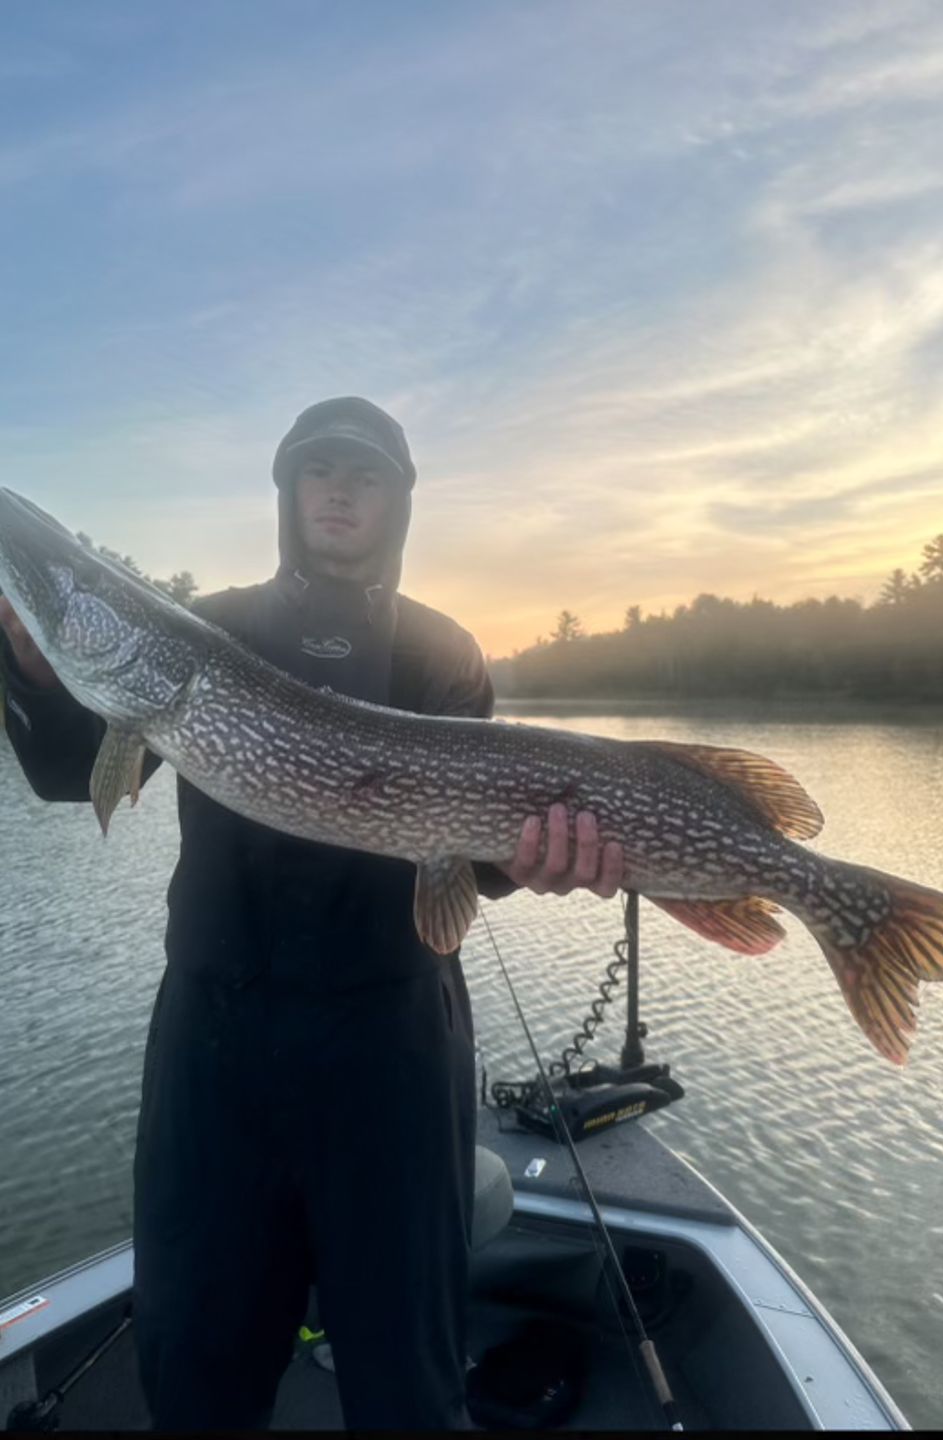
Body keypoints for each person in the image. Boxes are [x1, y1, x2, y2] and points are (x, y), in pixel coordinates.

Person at [0, 397, 624, 1430]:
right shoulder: (212, 633)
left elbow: (472, 850)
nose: (338, 488)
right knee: (198, 1361)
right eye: (318, 469)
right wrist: (32, 659)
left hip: (392, 1046)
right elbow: (78, 770)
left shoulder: (441, 652)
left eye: (366, 474)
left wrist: (537, 864)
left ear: (399, 501)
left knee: (408, 1373)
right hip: (214, 1041)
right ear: (288, 491)